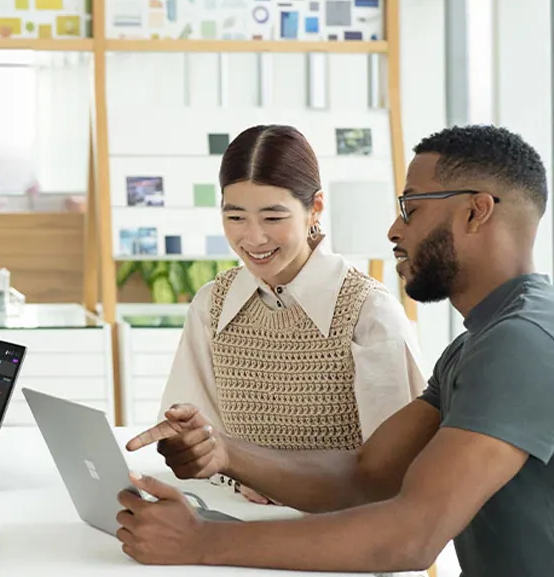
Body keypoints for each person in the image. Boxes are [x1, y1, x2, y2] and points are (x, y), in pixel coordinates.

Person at [117, 124, 554, 576]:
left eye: (411, 208)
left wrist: (200, 541)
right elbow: (368, 476)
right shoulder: (476, 344)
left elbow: (411, 536)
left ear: (476, 212)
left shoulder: (521, 343)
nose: (394, 230)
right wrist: (224, 453)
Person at [158, 124, 426, 504]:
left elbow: (395, 469)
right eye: (236, 218)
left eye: (273, 218)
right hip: (239, 518)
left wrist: (275, 481)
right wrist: (221, 470)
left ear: (315, 208)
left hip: (340, 525)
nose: (254, 238)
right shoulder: (212, 305)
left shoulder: (368, 312)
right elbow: (196, 443)